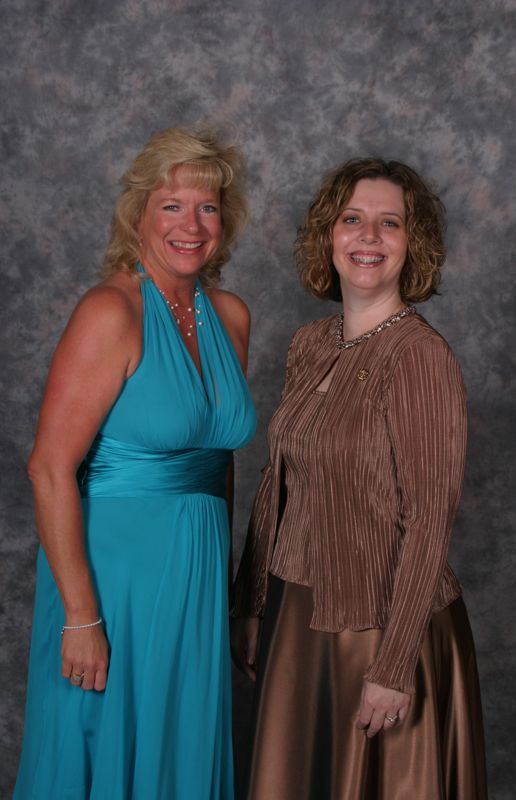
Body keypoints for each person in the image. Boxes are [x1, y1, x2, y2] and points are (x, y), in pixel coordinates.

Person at [232, 158, 487, 799]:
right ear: (329, 235)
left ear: (413, 244)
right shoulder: (310, 343)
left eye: (389, 223)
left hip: (380, 631)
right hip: (297, 618)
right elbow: (276, 484)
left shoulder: (421, 358)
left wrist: (393, 666)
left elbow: (428, 519)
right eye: (352, 220)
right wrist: (252, 603)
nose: (367, 238)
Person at [15, 126, 256, 800]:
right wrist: (81, 616)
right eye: (171, 205)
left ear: (224, 221)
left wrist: (233, 595)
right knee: (107, 746)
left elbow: (216, 464)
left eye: (207, 207)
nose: (191, 223)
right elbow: (48, 469)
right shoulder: (110, 311)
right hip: (111, 584)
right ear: (140, 214)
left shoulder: (231, 316)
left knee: (178, 751)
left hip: (196, 577)